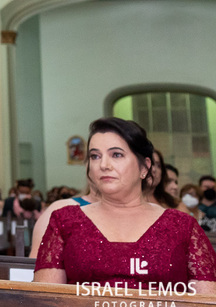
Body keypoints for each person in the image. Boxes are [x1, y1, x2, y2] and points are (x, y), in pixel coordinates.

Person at [34, 117, 216, 291]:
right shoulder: (65, 221)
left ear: (144, 167)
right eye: (95, 156)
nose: (104, 165)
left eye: (116, 155)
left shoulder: (181, 226)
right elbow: (47, 303)